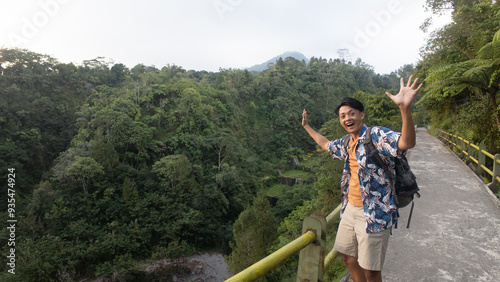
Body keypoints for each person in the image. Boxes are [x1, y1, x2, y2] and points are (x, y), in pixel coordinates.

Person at [302, 76, 422, 282]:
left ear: (361, 115)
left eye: (351, 113)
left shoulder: (375, 135)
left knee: (371, 271)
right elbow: (326, 145)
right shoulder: (347, 141)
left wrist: (405, 109)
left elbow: (406, 142)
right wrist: (306, 127)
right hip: (350, 208)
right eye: (342, 116)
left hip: (375, 213)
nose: (347, 118)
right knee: (347, 257)